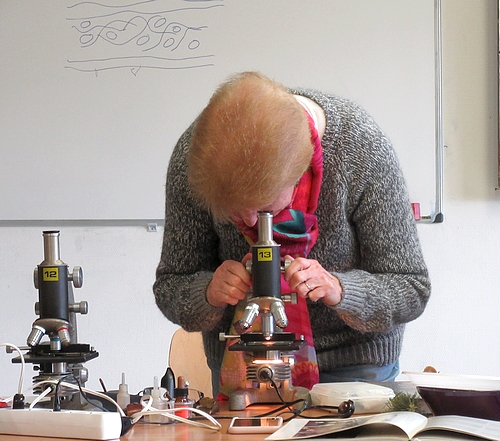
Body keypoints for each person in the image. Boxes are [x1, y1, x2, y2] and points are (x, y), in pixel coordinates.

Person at [153, 71, 431, 398]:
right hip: (243, 367)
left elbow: (410, 287)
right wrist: (209, 292)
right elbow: (172, 286)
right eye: (232, 211)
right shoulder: (200, 157)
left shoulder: (359, 147)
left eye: (262, 208)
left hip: (355, 367)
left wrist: (341, 289)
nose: (247, 221)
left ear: (300, 175)